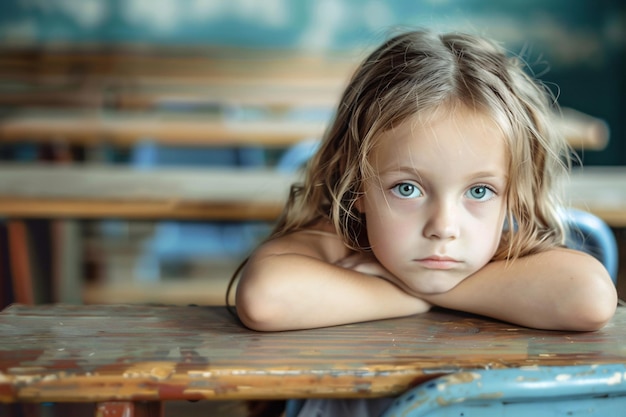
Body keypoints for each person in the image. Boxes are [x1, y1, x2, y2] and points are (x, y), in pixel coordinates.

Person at [227, 29, 618, 416]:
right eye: (408, 189)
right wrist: (415, 293)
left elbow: (592, 297)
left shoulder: (507, 249)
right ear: (358, 184)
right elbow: (265, 299)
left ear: (511, 196)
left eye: (479, 192)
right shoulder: (335, 242)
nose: (444, 227)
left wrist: (416, 290)